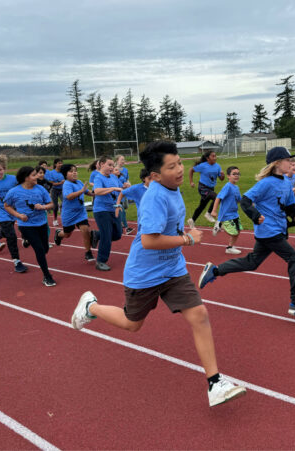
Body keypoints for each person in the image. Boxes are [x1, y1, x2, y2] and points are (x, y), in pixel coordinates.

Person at [70, 141, 246, 407]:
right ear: (155, 175)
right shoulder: (155, 197)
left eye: (180, 163)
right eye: (171, 166)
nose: (179, 170)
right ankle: (91, 306)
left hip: (173, 269)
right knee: (132, 324)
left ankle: (215, 383)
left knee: (199, 314)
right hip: (145, 274)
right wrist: (187, 239)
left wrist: (182, 236)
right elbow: (150, 240)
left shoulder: (172, 190)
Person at [198, 147, 295, 317]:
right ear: (277, 163)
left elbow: (290, 206)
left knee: (252, 262)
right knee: (294, 258)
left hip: (275, 230)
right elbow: (246, 201)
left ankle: (215, 271)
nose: (291, 163)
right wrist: (255, 216)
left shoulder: (285, 182)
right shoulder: (266, 183)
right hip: (268, 230)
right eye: (288, 160)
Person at [4, 166, 56, 287]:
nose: (37, 176)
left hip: (42, 223)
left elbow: (51, 204)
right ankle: (47, 276)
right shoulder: (14, 192)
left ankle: (26, 239)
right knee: (39, 250)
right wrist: (18, 215)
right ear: (26, 177)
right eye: (34, 175)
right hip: (26, 225)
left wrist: (43, 207)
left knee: (45, 249)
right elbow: (6, 205)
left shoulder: (40, 189)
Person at [53, 164, 99, 262]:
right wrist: (81, 191)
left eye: (75, 170)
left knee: (85, 230)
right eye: (71, 171)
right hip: (69, 214)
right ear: (65, 175)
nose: (74, 172)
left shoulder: (79, 182)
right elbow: (69, 196)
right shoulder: (66, 184)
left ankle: (88, 252)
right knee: (67, 234)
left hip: (81, 213)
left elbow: (88, 192)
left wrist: (98, 193)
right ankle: (59, 234)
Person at [92, 155, 122, 271]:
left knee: (118, 234)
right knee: (107, 235)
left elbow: (120, 189)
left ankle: (96, 235)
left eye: (113, 165)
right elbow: (97, 191)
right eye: (109, 165)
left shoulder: (114, 178)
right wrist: (113, 189)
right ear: (101, 164)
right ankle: (101, 261)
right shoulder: (98, 177)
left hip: (114, 209)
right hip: (101, 210)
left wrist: (125, 187)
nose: (111, 167)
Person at [210, 166, 243, 254]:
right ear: (228, 176)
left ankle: (229, 248)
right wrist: (214, 210)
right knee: (234, 232)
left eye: (238, 174)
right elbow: (218, 198)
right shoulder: (227, 187)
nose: (236, 176)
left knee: (238, 230)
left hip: (235, 214)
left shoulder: (236, 188)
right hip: (227, 215)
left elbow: (239, 200)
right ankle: (220, 225)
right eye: (234, 174)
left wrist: (250, 203)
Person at [187, 150, 224, 227]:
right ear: (207, 158)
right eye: (213, 156)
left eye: (215, 156)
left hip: (211, 188)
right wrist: (191, 182)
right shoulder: (203, 165)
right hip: (203, 188)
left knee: (201, 206)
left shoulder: (218, 166)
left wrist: (222, 175)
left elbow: (221, 179)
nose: (215, 157)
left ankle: (192, 220)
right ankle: (209, 213)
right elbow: (191, 170)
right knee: (218, 197)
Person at [115, 155, 133, 234]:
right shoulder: (113, 170)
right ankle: (126, 227)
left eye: (124, 159)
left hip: (124, 191)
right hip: (117, 194)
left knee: (124, 207)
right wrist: (122, 186)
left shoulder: (125, 170)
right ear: (117, 161)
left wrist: (128, 185)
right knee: (121, 210)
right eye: (121, 159)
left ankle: (119, 223)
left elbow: (126, 180)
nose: (123, 161)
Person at [46, 158, 64, 226]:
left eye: (61, 163)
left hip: (62, 190)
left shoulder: (63, 172)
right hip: (54, 190)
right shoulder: (52, 173)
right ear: (55, 164)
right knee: (55, 206)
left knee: (65, 203)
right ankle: (55, 220)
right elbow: (52, 183)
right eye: (59, 163)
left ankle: (63, 216)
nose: (60, 164)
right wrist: (60, 183)